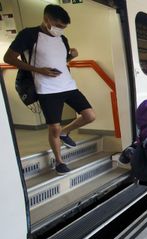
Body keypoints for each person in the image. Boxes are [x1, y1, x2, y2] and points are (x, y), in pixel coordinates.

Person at [4, 4, 95, 174]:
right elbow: (8, 57)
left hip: (68, 85)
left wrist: (71, 57)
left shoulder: (63, 38)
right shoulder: (29, 35)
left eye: (64, 27)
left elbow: (60, 61)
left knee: (90, 115)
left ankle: (65, 132)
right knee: (54, 127)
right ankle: (59, 162)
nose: (61, 30)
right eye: (59, 26)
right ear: (47, 20)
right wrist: (39, 70)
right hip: (46, 89)